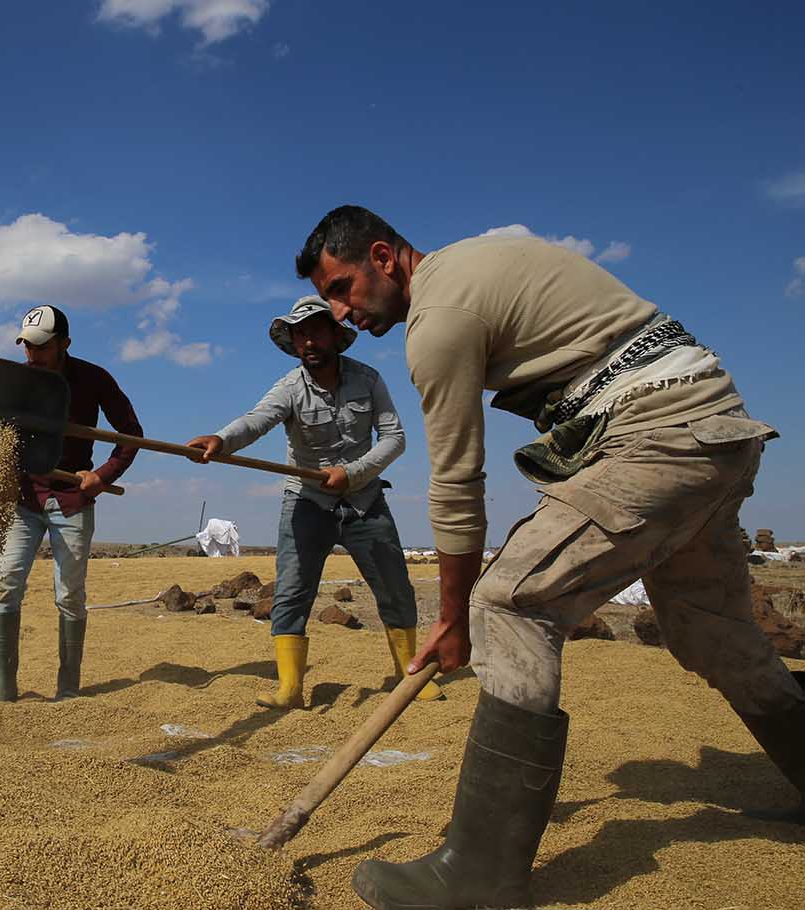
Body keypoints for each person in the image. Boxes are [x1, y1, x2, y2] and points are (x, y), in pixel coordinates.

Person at [295, 205, 801, 909]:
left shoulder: (438, 317)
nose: (343, 313)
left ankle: (477, 877)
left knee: (508, 602)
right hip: (714, 428)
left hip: (658, 437)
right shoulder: (479, 261)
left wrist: (453, 617)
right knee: (713, 633)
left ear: (384, 257)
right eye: (330, 301)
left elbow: (457, 480)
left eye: (344, 288)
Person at [186, 296, 442, 709]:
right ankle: (290, 688)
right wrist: (222, 440)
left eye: (315, 330)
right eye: (299, 333)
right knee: (291, 593)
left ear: (335, 335)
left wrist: (354, 472)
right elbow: (257, 419)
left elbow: (395, 438)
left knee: (395, 588)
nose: (307, 340)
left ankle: (406, 675)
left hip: (364, 500)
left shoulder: (369, 379)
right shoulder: (289, 388)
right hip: (305, 502)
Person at [0, 304, 142, 703]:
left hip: (73, 498)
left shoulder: (93, 378)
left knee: (69, 594)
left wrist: (102, 475)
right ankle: (3, 686)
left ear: (64, 344)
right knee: (5, 584)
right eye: (27, 346)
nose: (31, 355)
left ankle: (68, 689)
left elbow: (131, 433)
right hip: (24, 497)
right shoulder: (20, 379)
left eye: (40, 347)